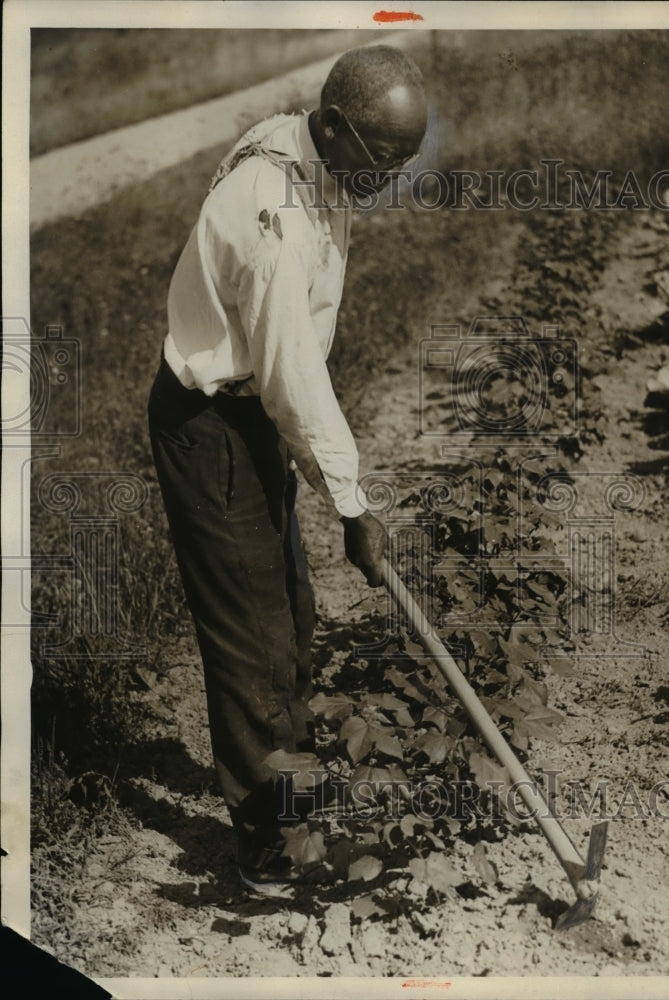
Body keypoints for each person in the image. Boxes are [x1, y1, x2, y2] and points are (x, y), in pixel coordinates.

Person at [147, 45, 428, 894]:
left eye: (409, 160)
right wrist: (353, 508)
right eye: (384, 156)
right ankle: (268, 851)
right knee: (255, 641)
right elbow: (293, 380)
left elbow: (290, 376)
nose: (392, 177)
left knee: (292, 614)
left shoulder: (311, 148)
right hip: (214, 422)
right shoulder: (275, 217)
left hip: (251, 415)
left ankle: (286, 792)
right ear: (336, 127)